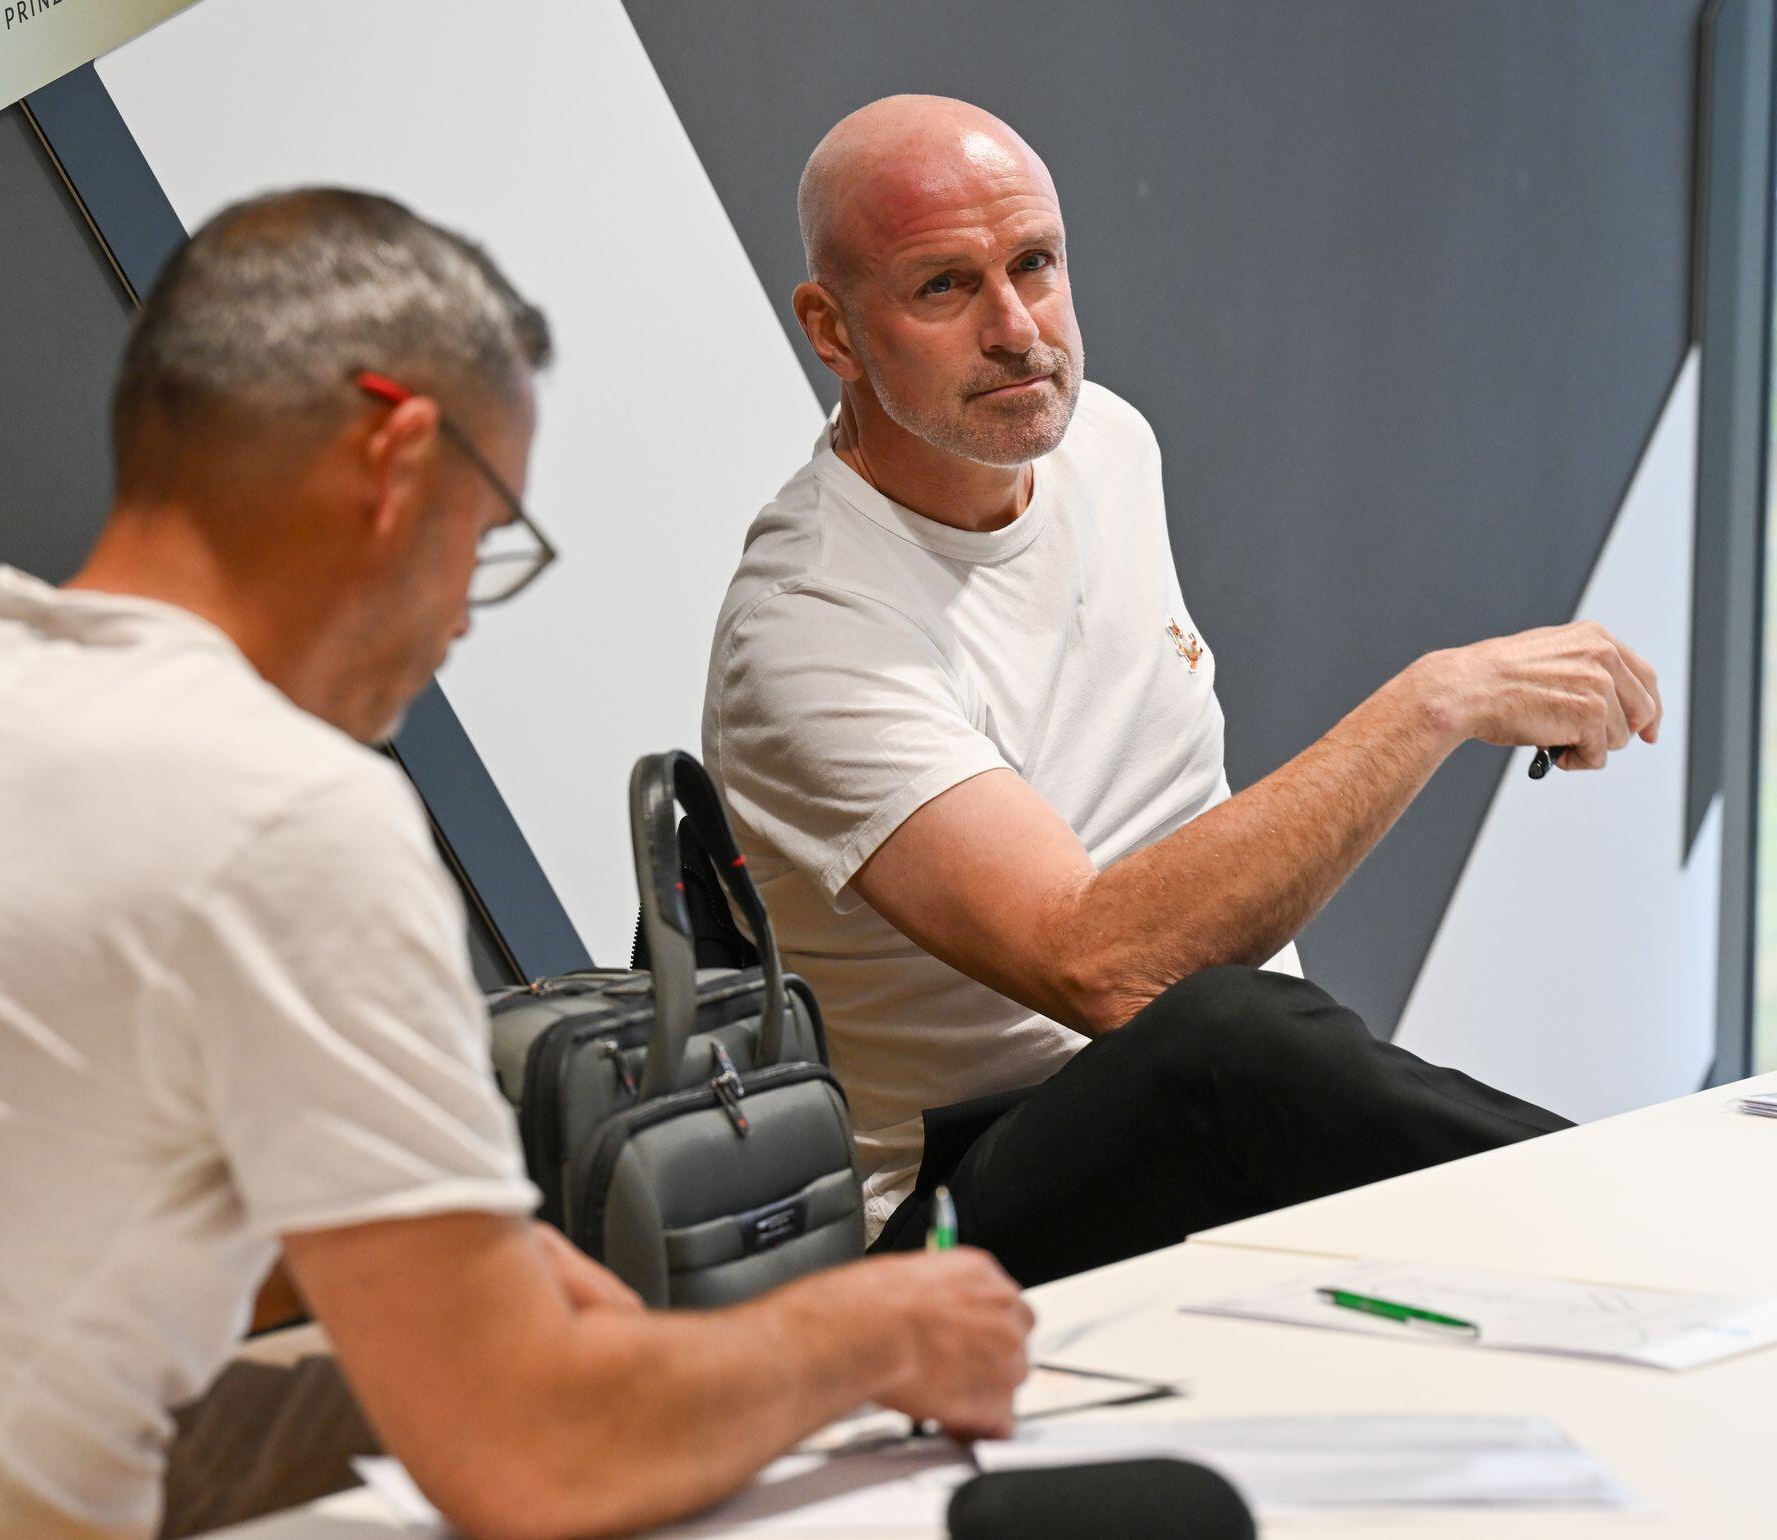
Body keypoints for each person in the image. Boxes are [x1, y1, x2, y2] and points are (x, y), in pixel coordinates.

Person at [0, 189, 1032, 1540]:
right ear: (399, 460)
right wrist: (870, 1330)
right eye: (484, 538)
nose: (462, 613)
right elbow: (535, 1457)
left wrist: (393, 1259)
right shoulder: (286, 811)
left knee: (372, 1403)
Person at [703, 96, 1663, 1288]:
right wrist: (1436, 702)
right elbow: (1101, 968)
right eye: (943, 287)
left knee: (1247, 1041)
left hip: (1231, 1118)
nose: (1015, 329)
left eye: (1034, 264)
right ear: (831, 330)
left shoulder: (1104, 446)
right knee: (1218, 1029)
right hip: (951, 1220)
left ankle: (1655, 1243)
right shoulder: (808, 623)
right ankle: (1679, 1230)